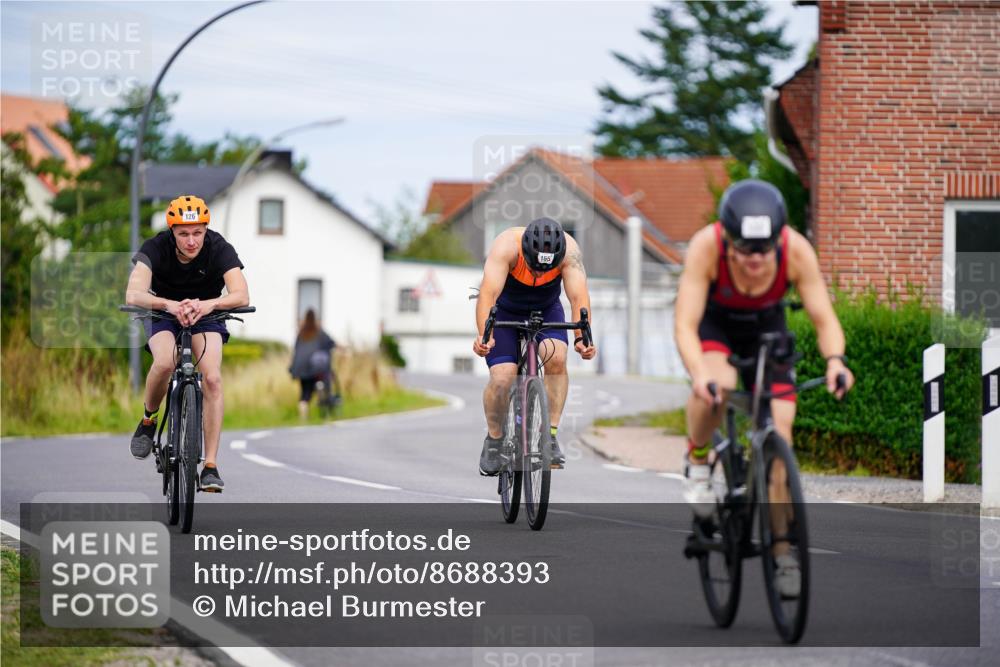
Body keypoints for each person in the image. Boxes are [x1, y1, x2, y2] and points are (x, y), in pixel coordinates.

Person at [674, 179, 855, 597]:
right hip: (717, 325)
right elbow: (685, 323)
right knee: (718, 385)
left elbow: (824, 317)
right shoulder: (707, 246)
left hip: (767, 330)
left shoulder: (796, 250)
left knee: (781, 442)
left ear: (778, 238)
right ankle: (698, 459)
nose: (755, 260)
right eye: (744, 250)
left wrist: (835, 361)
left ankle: (782, 552)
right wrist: (699, 372)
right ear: (727, 238)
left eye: (763, 250)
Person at [124, 195, 249, 492]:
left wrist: (208, 306)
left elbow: (241, 294)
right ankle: (148, 419)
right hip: (163, 313)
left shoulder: (219, 247)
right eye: (183, 234)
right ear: (172, 231)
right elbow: (134, 294)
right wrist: (170, 305)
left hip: (205, 317)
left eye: (197, 233)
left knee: (214, 379)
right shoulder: (155, 247)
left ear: (206, 229)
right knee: (165, 361)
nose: (192, 241)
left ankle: (210, 466)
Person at [472, 217, 597, 475]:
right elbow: (488, 294)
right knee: (502, 377)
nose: (539, 273)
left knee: (557, 359)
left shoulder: (570, 251)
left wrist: (582, 339)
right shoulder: (506, 245)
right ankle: (494, 440)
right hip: (505, 309)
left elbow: (578, 297)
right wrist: (485, 336)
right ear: (526, 252)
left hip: (546, 308)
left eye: (545, 269)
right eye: (534, 267)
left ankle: (549, 436)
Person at [289, 309, 337, 419]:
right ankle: (324, 403)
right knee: (324, 383)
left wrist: (292, 367)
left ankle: (303, 418)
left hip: (301, 369)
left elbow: (296, 350)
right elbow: (331, 343)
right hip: (316, 368)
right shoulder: (319, 332)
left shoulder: (301, 333)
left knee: (304, 395)